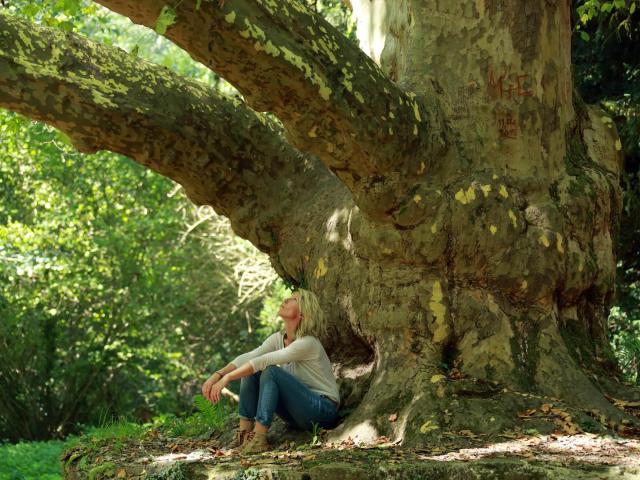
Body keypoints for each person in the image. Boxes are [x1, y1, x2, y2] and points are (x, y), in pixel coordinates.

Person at [201, 288, 340, 454]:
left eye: (294, 299)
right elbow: (250, 357)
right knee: (252, 371)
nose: (287, 300)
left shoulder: (308, 343)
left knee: (271, 371)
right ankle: (243, 436)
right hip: (296, 413)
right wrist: (217, 375)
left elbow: (263, 361)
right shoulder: (278, 338)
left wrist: (227, 379)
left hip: (322, 411)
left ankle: (259, 439)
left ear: (302, 313)